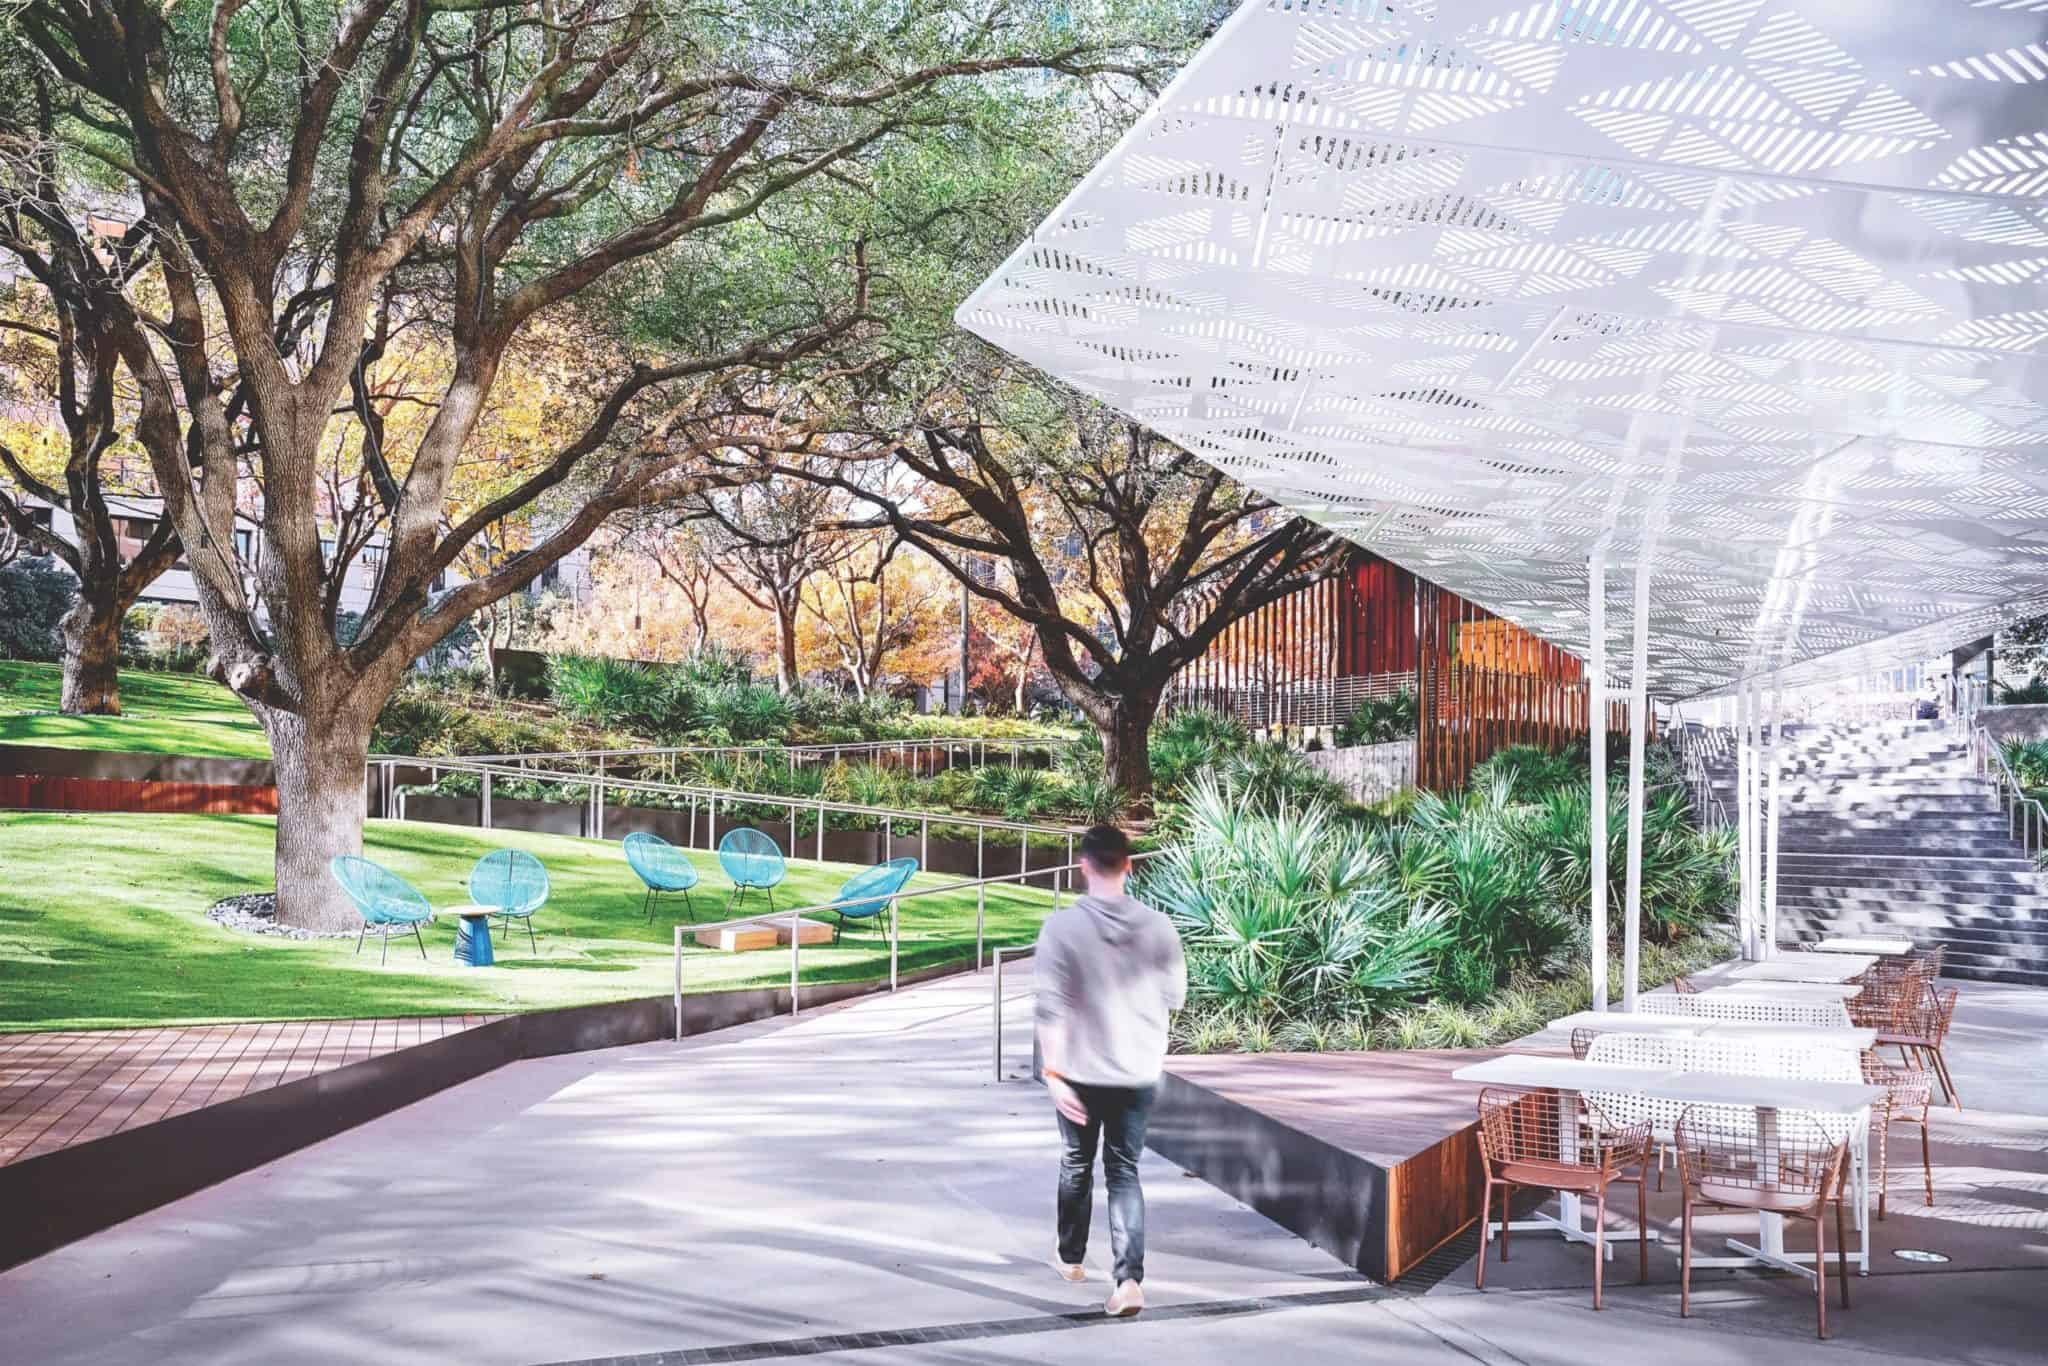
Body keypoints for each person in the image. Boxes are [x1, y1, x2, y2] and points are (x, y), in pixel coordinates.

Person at [1033, 824, 1187, 1318]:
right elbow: (1176, 997)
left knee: (1076, 1164)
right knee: (1124, 1171)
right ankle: (1128, 1281)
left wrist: (1053, 1074)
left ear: (1082, 866)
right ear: (1130, 866)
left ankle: (1071, 1258)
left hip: (1079, 1069)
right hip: (1138, 1070)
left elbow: (1050, 1007)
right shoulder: (1160, 927)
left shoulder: (1060, 929)